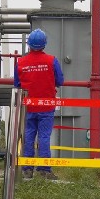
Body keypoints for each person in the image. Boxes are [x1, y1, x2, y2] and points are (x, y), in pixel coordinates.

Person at [14, 28, 63, 180]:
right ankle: (44, 169)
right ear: (44, 44)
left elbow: (17, 83)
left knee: (28, 135)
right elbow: (60, 81)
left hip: (28, 106)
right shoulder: (51, 60)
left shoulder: (20, 62)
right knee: (44, 137)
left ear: (29, 45)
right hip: (46, 106)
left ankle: (27, 169)